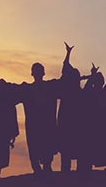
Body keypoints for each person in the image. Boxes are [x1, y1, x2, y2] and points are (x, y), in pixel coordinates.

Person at [20, 60, 61, 175]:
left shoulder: (50, 87)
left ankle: (45, 169)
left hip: (46, 125)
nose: (37, 74)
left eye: (39, 71)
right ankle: (39, 170)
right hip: (35, 126)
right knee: (35, 149)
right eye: (36, 72)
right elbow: (9, 89)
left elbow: (66, 82)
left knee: (46, 150)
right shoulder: (27, 89)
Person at [57, 42, 86, 173]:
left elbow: (65, 67)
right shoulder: (74, 92)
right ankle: (76, 174)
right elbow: (66, 67)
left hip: (70, 126)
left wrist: (68, 53)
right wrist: (68, 53)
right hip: (71, 126)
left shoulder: (67, 92)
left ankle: (68, 173)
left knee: (69, 153)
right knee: (74, 151)